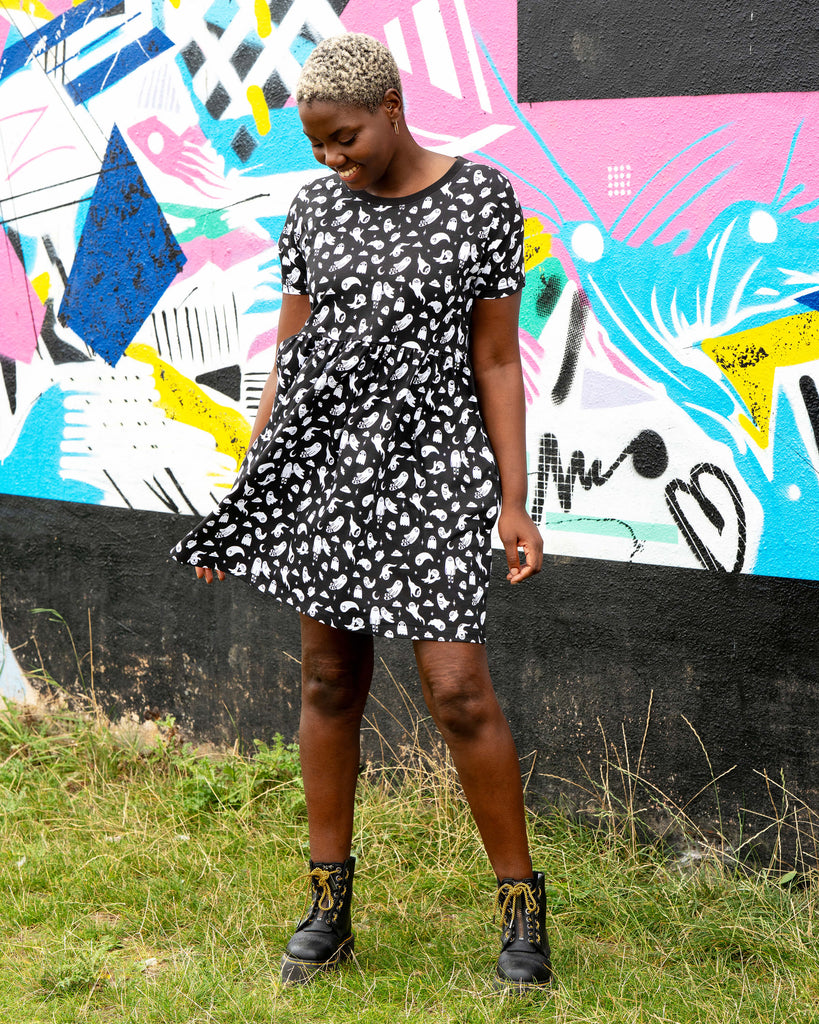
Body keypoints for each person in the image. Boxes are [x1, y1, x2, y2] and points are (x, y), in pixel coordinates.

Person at [171, 32, 551, 992]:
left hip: (433, 474)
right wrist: (251, 499)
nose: (331, 158)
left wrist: (513, 501)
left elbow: (498, 360)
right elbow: (288, 365)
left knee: (459, 689)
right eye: (317, 146)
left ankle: (520, 911)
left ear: (389, 105)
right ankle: (329, 908)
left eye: (343, 138)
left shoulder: (481, 198)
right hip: (327, 472)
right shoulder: (312, 212)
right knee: (329, 683)